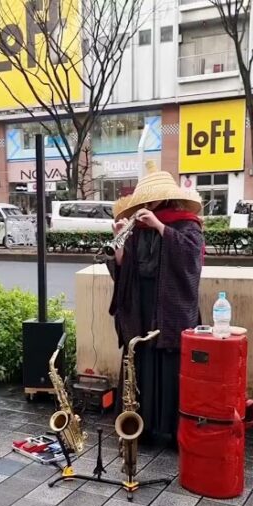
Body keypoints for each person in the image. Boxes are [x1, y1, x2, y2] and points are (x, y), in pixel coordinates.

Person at [106, 162, 205, 448]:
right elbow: (125, 270)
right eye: (144, 201)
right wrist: (120, 241)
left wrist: (161, 226)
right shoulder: (136, 227)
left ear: (166, 197)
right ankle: (141, 428)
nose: (148, 205)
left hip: (171, 307)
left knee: (170, 368)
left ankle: (174, 431)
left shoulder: (187, 223)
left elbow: (191, 260)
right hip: (142, 304)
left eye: (152, 199)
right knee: (141, 361)